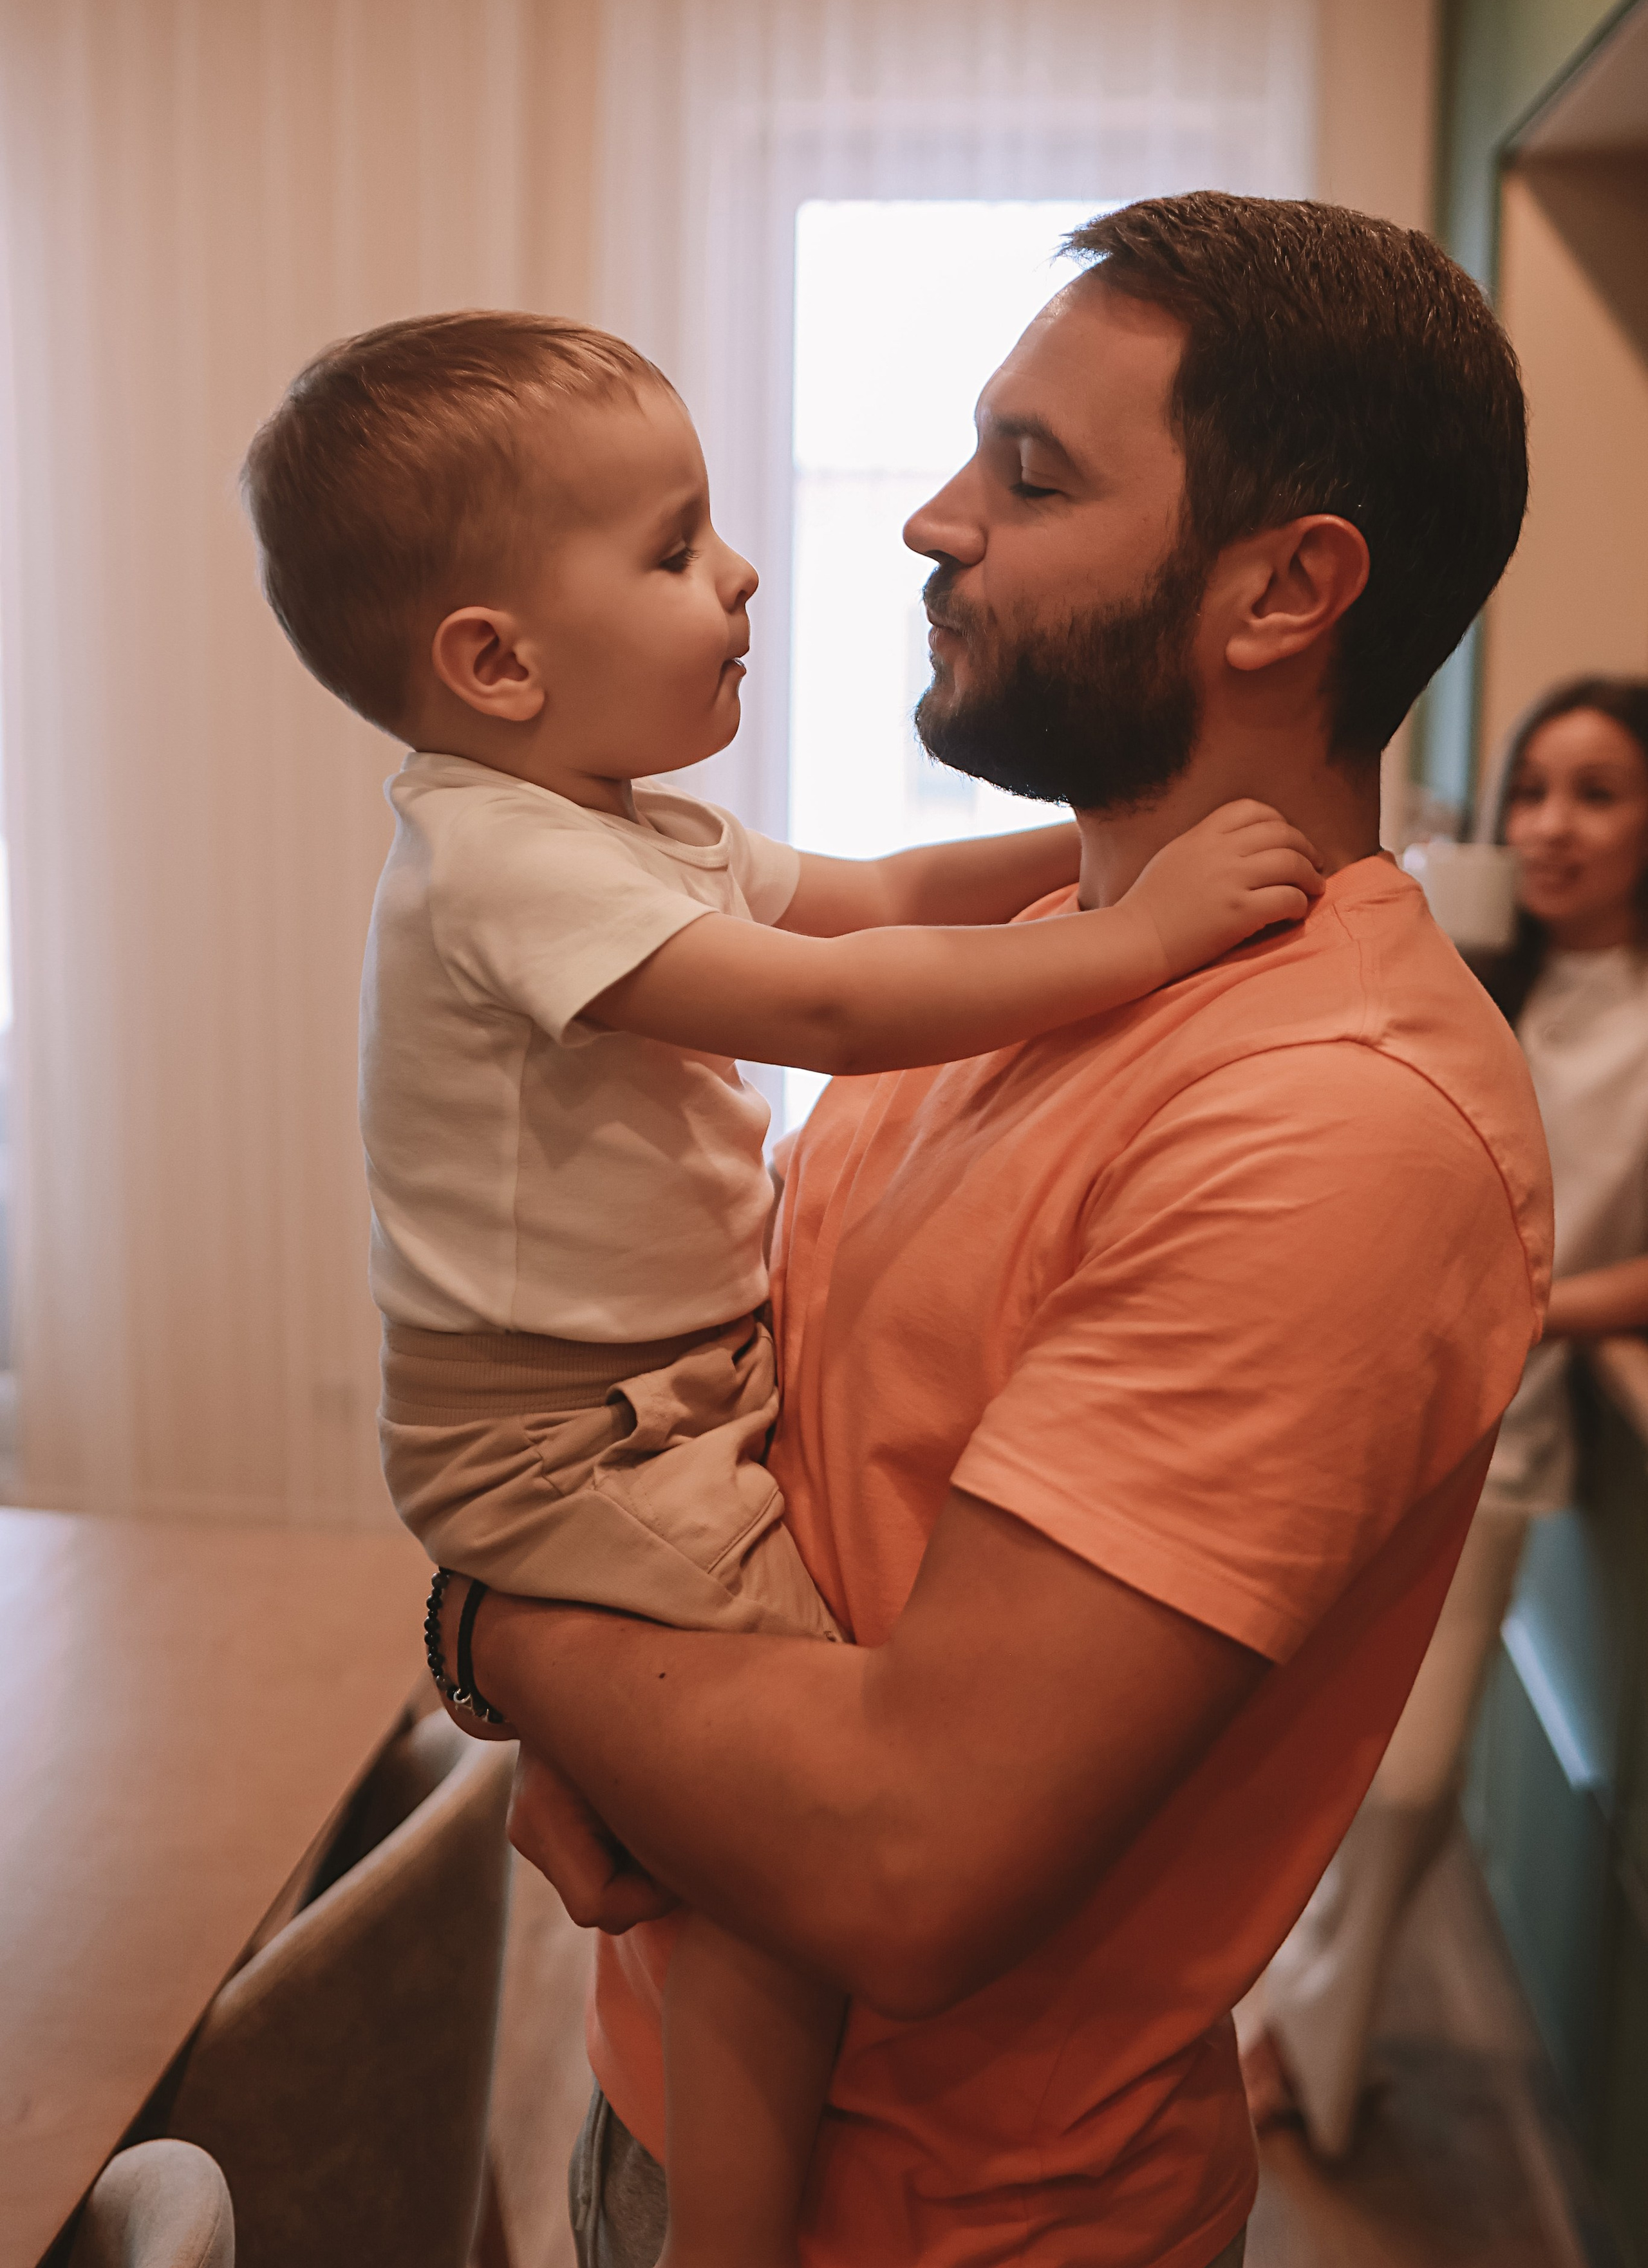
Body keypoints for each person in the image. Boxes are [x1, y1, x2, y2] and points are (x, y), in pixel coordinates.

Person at [429, 191, 1551, 2268]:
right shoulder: (1043, 959)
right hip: (670, 2097)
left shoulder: (1332, 1130)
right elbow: (774, 1473)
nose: (935, 520)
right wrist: (614, 1723)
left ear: (1288, 592)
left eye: (1029, 477)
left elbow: (904, 1859)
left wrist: (488, 1635)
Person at [241, 311, 1324, 2268]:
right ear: (493, 661)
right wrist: (1147, 935)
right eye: (673, 550)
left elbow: (892, 902)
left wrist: (1098, 876)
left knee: (704, 1801)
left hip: (638, 1409)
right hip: (566, 1434)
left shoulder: (624, 825)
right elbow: (831, 1004)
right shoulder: (498, 860)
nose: (739, 573)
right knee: (775, 1867)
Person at [1242, 673, 1648, 2157]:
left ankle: (1289, 2059)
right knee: (1301, 1759)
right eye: (1529, 791)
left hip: (1501, 1433)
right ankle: (1269, 2051)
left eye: (1594, 794)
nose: (1546, 826)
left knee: (1404, 1785)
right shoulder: (1478, 971)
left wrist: (1530, 1308)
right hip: (1358, 1411)